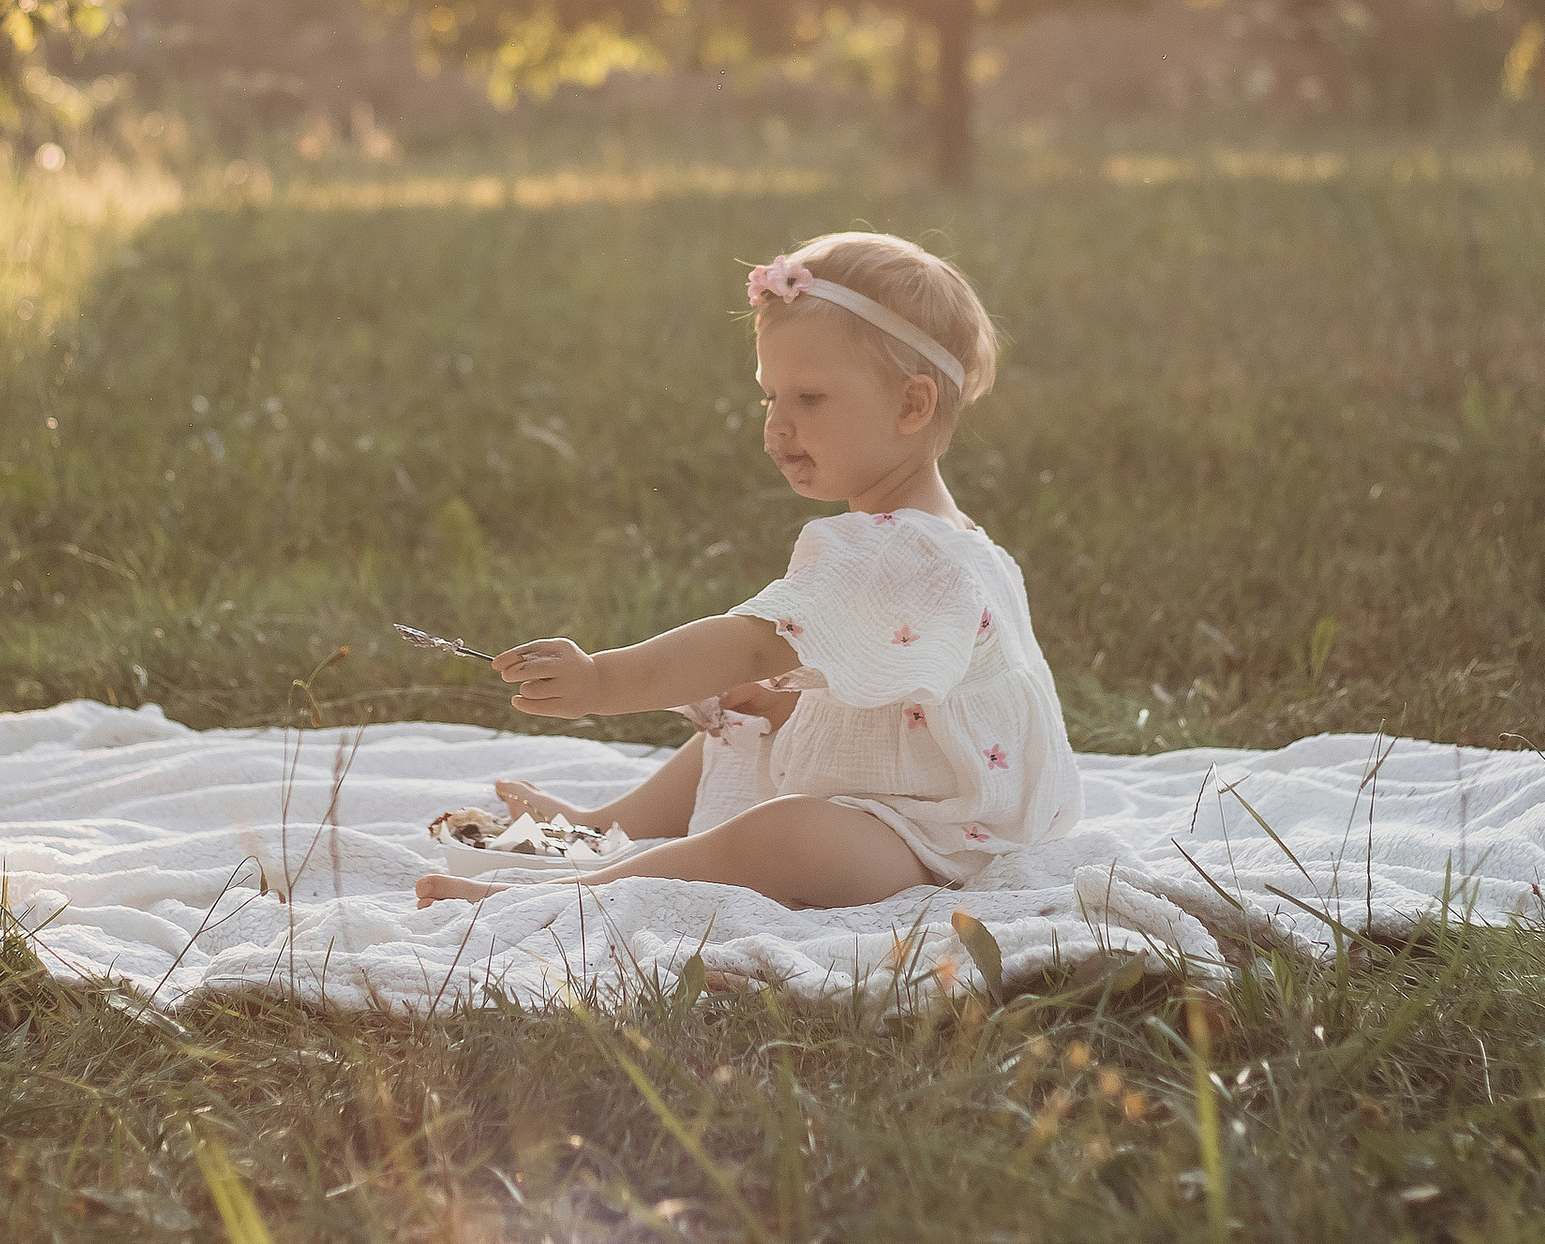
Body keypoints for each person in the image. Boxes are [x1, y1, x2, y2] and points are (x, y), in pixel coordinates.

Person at [419, 229, 1081, 913]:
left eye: (811, 400)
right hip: (905, 798)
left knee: (779, 839)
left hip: (935, 839)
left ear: (912, 405)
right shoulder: (953, 541)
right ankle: (608, 826)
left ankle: (575, 893)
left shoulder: (898, 550)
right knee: (745, 725)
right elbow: (909, 694)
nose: (778, 425)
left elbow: (751, 641)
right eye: (771, 397)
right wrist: (787, 700)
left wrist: (601, 680)